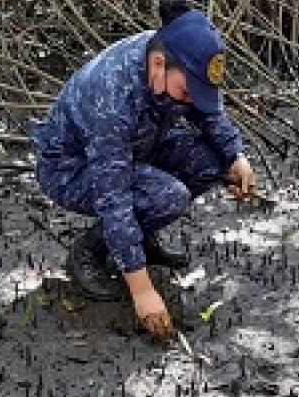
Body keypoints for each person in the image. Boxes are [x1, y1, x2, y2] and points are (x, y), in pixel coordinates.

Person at [31, 6, 256, 342]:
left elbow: (207, 113)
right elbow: (114, 195)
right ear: (157, 65)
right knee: (167, 196)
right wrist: (142, 291)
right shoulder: (112, 96)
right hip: (70, 167)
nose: (190, 100)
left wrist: (235, 155)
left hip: (140, 146)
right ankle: (88, 252)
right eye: (186, 92)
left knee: (212, 163)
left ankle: (141, 239)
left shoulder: (177, 58)